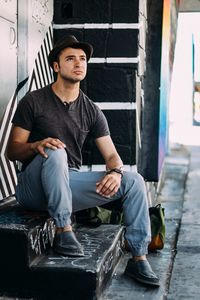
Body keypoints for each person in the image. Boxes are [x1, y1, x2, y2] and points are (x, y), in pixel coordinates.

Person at [6, 35, 159, 287]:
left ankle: (138, 257)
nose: (79, 64)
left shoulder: (91, 110)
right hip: (32, 188)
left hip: (68, 184)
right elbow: (11, 151)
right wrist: (36, 145)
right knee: (56, 150)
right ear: (56, 66)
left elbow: (111, 156)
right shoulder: (33, 101)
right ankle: (63, 230)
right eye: (70, 59)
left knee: (133, 180)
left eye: (83, 59)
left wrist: (116, 172)